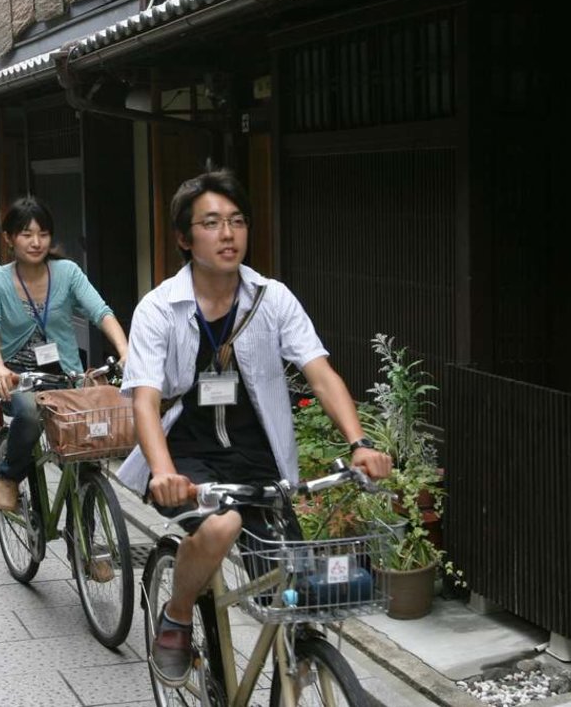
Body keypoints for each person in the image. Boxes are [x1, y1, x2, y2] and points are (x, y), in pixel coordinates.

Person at [115, 169, 393, 688]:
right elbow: (146, 400)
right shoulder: (158, 308)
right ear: (184, 237)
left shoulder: (272, 298)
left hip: (259, 458)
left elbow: (320, 372)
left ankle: (296, 668)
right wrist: (163, 472)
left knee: (288, 591)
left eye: (237, 222)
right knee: (221, 526)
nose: (228, 234)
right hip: (188, 458)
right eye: (212, 223)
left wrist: (359, 443)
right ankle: (176, 617)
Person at [0, 196, 129, 512]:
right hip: (15, 377)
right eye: (26, 234)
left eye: (43, 234)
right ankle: (8, 477)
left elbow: (100, 311)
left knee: (84, 454)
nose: (36, 242)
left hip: (63, 375)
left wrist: (125, 350)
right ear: (9, 238)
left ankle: (86, 551)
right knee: (31, 414)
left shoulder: (67, 272)